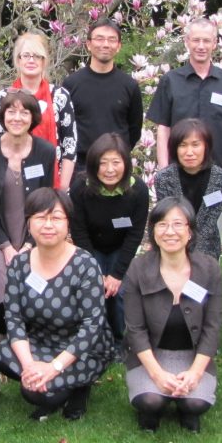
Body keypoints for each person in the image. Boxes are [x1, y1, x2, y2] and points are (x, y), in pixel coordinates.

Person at [0, 188, 115, 421]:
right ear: (29, 223)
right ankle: (51, 381)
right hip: (42, 341)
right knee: (0, 354)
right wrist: (29, 365)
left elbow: (92, 325)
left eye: (56, 218)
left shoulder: (84, 264)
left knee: (40, 395)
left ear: (68, 223)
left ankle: (79, 387)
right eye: (40, 217)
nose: (48, 225)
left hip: (82, 348)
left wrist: (53, 368)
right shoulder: (19, 264)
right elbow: (13, 317)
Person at [123, 197, 222, 433]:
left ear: (190, 232)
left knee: (195, 403)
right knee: (150, 401)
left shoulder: (209, 269)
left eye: (178, 224)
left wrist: (196, 372)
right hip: (151, 355)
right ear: (153, 232)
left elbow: (213, 327)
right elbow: (135, 330)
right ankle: (152, 409)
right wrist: (157, 375)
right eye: (162, 224)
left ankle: (186, 407)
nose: (170, 232)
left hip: (192, 355)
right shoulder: (138, 268)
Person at [0, 91, 56, 332]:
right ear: (2, 116)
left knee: (31, 277)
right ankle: (4, 331)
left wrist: (30, 244)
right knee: (1, 278)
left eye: (24, 112)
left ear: (33, 118)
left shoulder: (46, 151)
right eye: (11, 112)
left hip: (32, 228)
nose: (17, 117)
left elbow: (45, 203)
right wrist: (7, 248)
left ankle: (30, 329)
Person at [68, 133, 149, 345]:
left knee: (119, 292)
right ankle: (93, 337)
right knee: (92, 289)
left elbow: (135, 233)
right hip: (90, 247)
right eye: (102, 163)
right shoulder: (80, 188)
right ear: (93, 165)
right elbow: (79, 230)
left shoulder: (138, 190)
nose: (109, 169)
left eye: (116, 162)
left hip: (121, 248)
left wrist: (116, 274)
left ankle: (119, 337)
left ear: (126, 163)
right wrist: (95, 269)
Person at [147, 17, 222, 175]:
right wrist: (164, 170)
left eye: (206, 41)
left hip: (217, 173)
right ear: (187, 42)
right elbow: (163, 129)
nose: (201, 46)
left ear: (215, 43)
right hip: (178, 172)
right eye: (196, 40)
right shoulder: (170, 80)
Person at [0, 32, 77, 189]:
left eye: (37, 56)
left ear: (44, 61)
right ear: (18, 60)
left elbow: (69, 143)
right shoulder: (2, 97)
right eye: (26, 55)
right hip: (12, 182)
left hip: (53, 182)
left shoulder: (60, 96)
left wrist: (62, 186)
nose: (31, 60)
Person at [62, 18, 143, 174]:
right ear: (89, 44)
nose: (105, 44)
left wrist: (116, 156)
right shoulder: (71, 84)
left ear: (118, 46)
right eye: (99, 39)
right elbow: (64, 128)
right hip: (80, 167)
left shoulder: (129, 86)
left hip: (117, 168)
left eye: (111, 40)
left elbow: (134, 129)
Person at [153, 119, 222, 260]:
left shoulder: (221, 178)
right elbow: (168, 218)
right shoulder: (164, 179)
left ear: (206, 147)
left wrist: (194, 258)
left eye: (196, 145)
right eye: (183, 145)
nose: (189, 152)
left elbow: (209, 222)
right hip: (173, 245)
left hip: (207, 249)